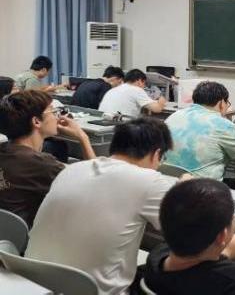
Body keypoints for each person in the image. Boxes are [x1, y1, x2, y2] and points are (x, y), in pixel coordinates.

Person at [26, 118, 188, 294]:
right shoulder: (151, 181)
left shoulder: (72, 169)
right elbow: (188, 233)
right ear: (156, 154)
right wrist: (185, 191)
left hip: (33, 283)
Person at [0, 90, 95, 227]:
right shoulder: (41, 164)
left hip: (8, 234)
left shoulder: (6, 150)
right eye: (53, 111)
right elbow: (95, 184)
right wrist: (83, 137)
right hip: (29, 235)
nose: (57, 117)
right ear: (36, 121)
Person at [165, 81, 235, 181]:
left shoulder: (174, 116)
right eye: (227, 103)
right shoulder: (223, 125)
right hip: (202, 186)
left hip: (168, 182)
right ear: (221, 103)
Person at [99, 68, 166, 117]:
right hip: (121, 126)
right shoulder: (136, 90)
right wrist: (161, 98)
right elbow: (157, 109)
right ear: (139, 81)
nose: (144, 87)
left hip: (103, 123)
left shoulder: (112, 90)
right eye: (144, 84)